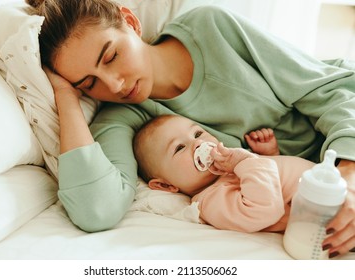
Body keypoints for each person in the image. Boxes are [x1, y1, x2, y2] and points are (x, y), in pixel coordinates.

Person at [26, 0, 355, 258]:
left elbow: (331, 91)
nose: (113, 84)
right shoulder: (121, 118)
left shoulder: (212, 27)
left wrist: (345, 181)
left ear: (131, 22)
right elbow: (98, 210)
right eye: (89, 82)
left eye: (111, 56)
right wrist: (66, 98)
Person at [133, 114, 315, 233]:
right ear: (165, 185)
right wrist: (246, 162)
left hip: (329, 180)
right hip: (322, 209)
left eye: (197, 134)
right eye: (179, 148)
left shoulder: (232, 166)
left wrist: (270, 155)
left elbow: (274, 182)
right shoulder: (210, 200)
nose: (197, 144)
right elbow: (265, 209)